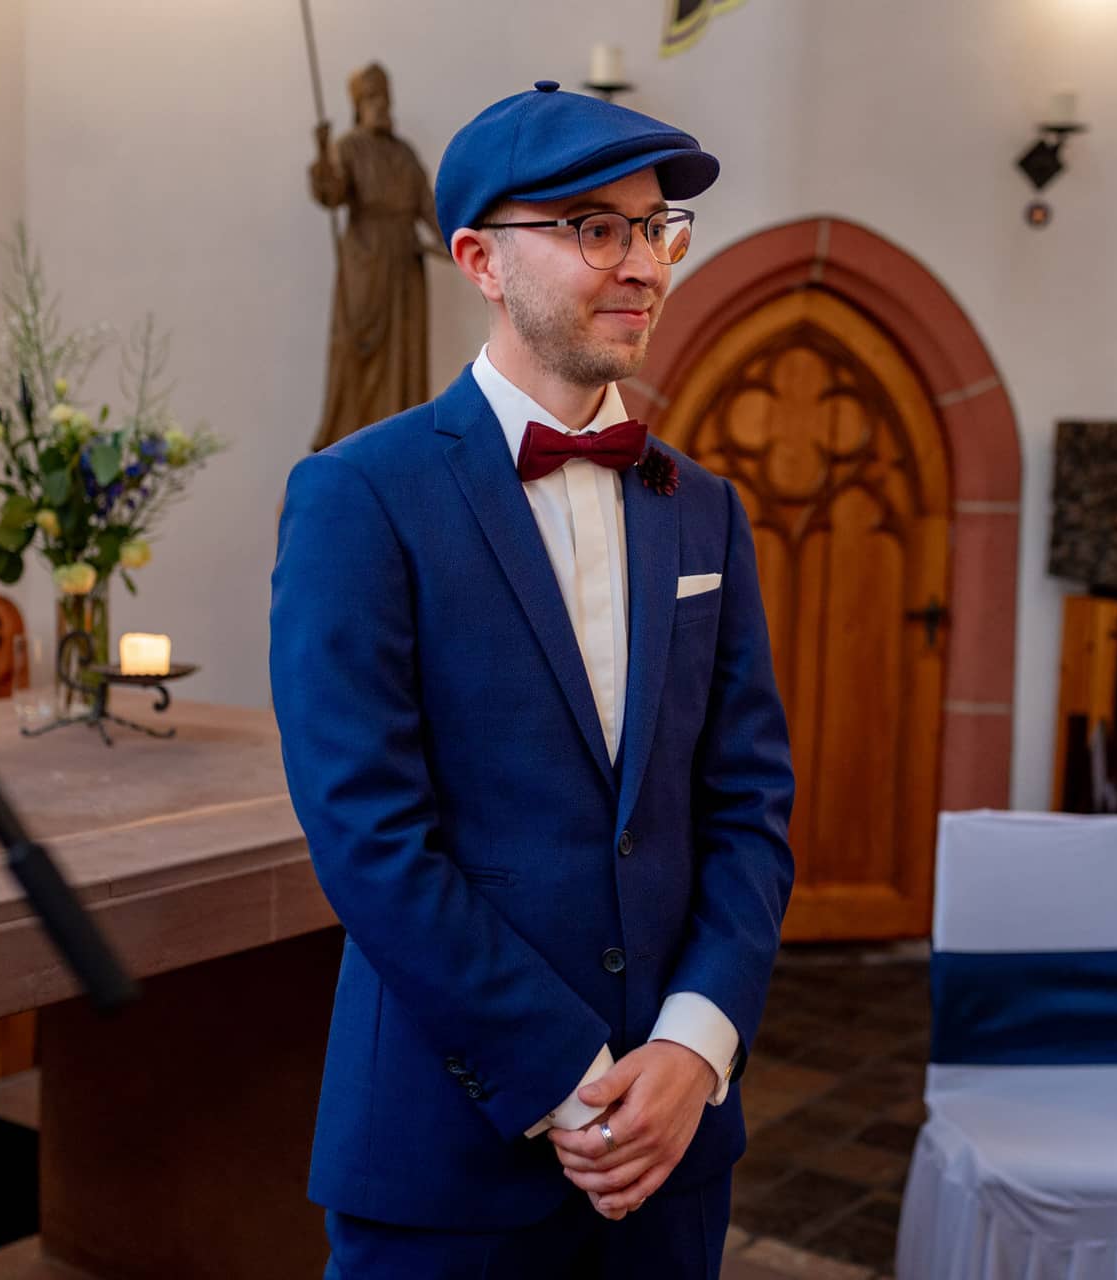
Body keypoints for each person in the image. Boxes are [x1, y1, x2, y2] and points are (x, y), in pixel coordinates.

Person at [270, 79, 795, 1278]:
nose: (643, 265)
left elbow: (749, 807)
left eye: (657, 229)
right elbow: (368, 837)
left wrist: (695, 1046)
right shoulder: (360, 497)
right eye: (593, 228)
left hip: (675, 1151)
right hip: (446, 1147)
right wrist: (570, 1076)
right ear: (479, 259)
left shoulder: (704, 509)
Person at [306, 62, 443, 452]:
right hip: (364, 266)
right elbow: (331, 195)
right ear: (358, 105)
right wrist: (321, 151)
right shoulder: (348, 147)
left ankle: (400, 446)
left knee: (404, 355)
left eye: (384, 98)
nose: (380, 106)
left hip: (404, 267)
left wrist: (463, 245)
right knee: (355, 350)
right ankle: (345, 444)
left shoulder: (403, 153)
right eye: (371, 99)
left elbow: (428, 208)